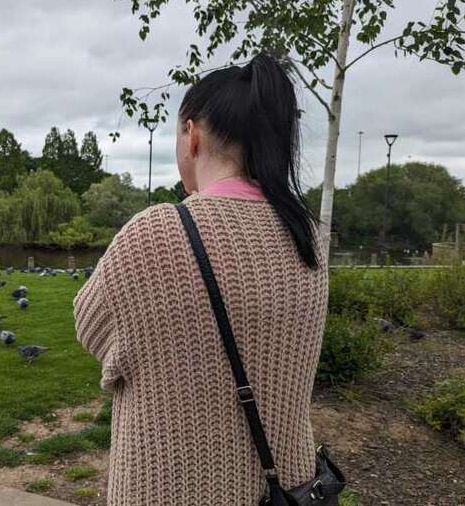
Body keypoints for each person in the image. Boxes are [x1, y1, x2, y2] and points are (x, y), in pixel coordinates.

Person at [73, 52, 328, 505]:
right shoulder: (306, 236)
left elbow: (92, 331)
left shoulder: (153, 235)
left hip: (168, 492)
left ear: (191, 135)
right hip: (284, 491)